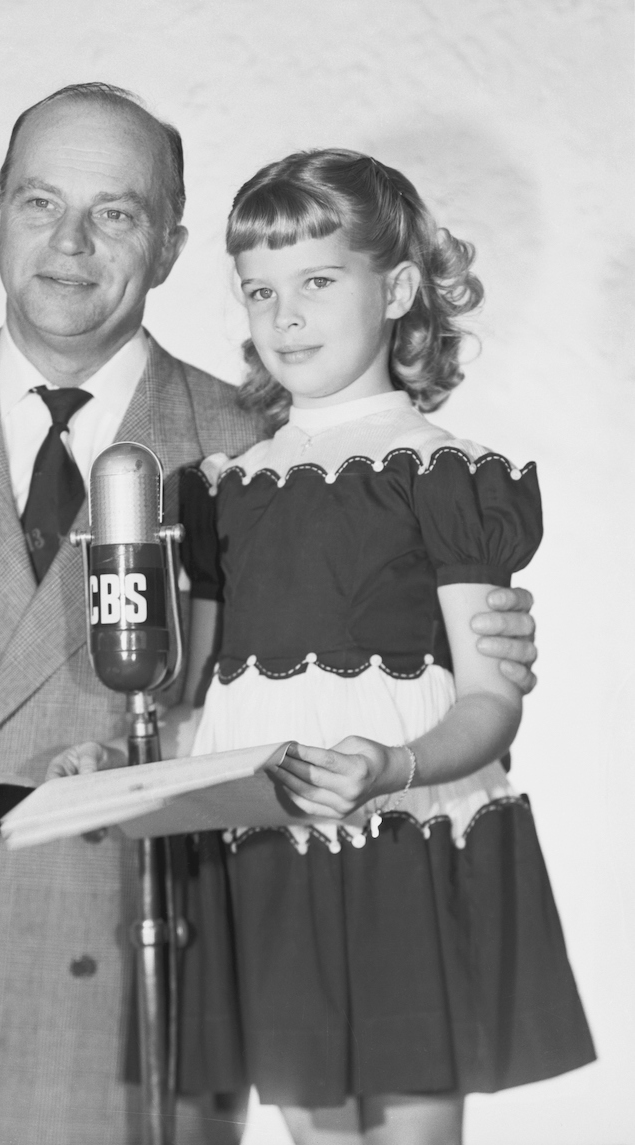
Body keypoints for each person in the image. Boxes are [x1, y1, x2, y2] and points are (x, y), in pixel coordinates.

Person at [0, 85, 539, 1145]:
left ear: (169, 242)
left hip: (156, 974)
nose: (70, 244)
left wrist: (469, 640)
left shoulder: (263, 447)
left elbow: (358, 642)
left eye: (115, 213)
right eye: (39, 204)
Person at [169, 150, 594, 1144]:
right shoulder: (221, 487)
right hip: (271, 843)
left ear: (397, 287)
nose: (286, 316)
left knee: (409, 1126)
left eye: (318, 280)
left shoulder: (445, 475)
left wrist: (396, 762)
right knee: (311, 1124)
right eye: (260, 290)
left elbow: (491, 702)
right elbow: (195, 688)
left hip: (405, 838)